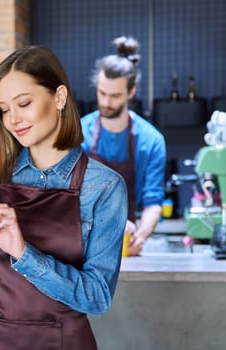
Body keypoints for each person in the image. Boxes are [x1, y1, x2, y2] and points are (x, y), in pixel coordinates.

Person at [0, 45, 127, 349]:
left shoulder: (104, 187)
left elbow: (97, 297)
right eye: (4, 109)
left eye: (24, 103)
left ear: (59, 97)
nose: (13, 119)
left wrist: (23, 252)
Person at [81, 36, 166, 256]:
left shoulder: (151, 141)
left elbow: (153, 201)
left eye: (115, 95)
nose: (107, 102)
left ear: (131, 92)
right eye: (102, 93)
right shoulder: (78, 134)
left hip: (125, 245)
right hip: (80, 240)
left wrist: (140, 235)